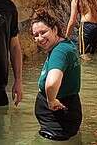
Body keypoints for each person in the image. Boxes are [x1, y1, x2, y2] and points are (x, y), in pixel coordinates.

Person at [32, 8, 82, 141]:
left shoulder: (59, 52)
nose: (39, 38)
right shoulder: (65, 45)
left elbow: (52, 83)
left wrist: (51, 100)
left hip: (57, 121)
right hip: (60, 117)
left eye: (43, 32)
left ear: (54, 30)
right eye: (35, 35)